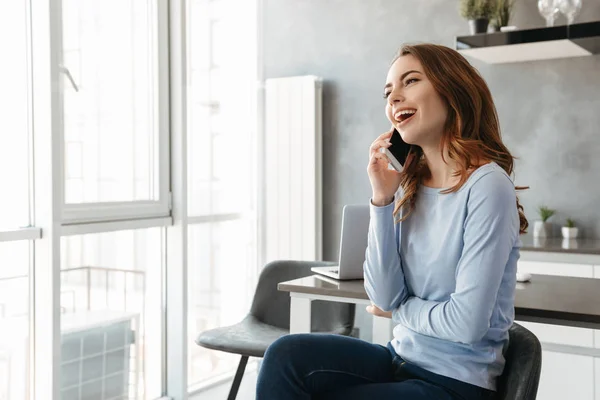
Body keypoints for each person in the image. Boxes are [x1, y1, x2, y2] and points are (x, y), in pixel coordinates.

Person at [255, 43, 528, 400]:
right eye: (388, 93)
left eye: (410, 81)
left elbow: (466, 325)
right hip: (400, 359)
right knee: (286, 355)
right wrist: (382, 199)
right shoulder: (408, 185)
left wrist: (398, 309)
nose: (394, 98)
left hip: (454, 383)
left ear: (454, 90)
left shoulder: (488, 186)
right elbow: (383, 294)